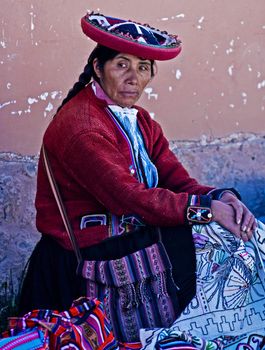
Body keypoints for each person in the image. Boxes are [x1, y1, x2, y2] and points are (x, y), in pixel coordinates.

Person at [19, 11, 259, 346]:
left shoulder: (141, 122)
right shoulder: (82, 127)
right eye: (122, 65)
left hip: (128, 237)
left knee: (232, 235)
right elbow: (129, 198)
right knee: (204, 239)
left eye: (143, 67)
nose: (134, 77)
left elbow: (179, 182)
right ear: (98, 68)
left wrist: (222, 198)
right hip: (87, 254)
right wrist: (205, 210)